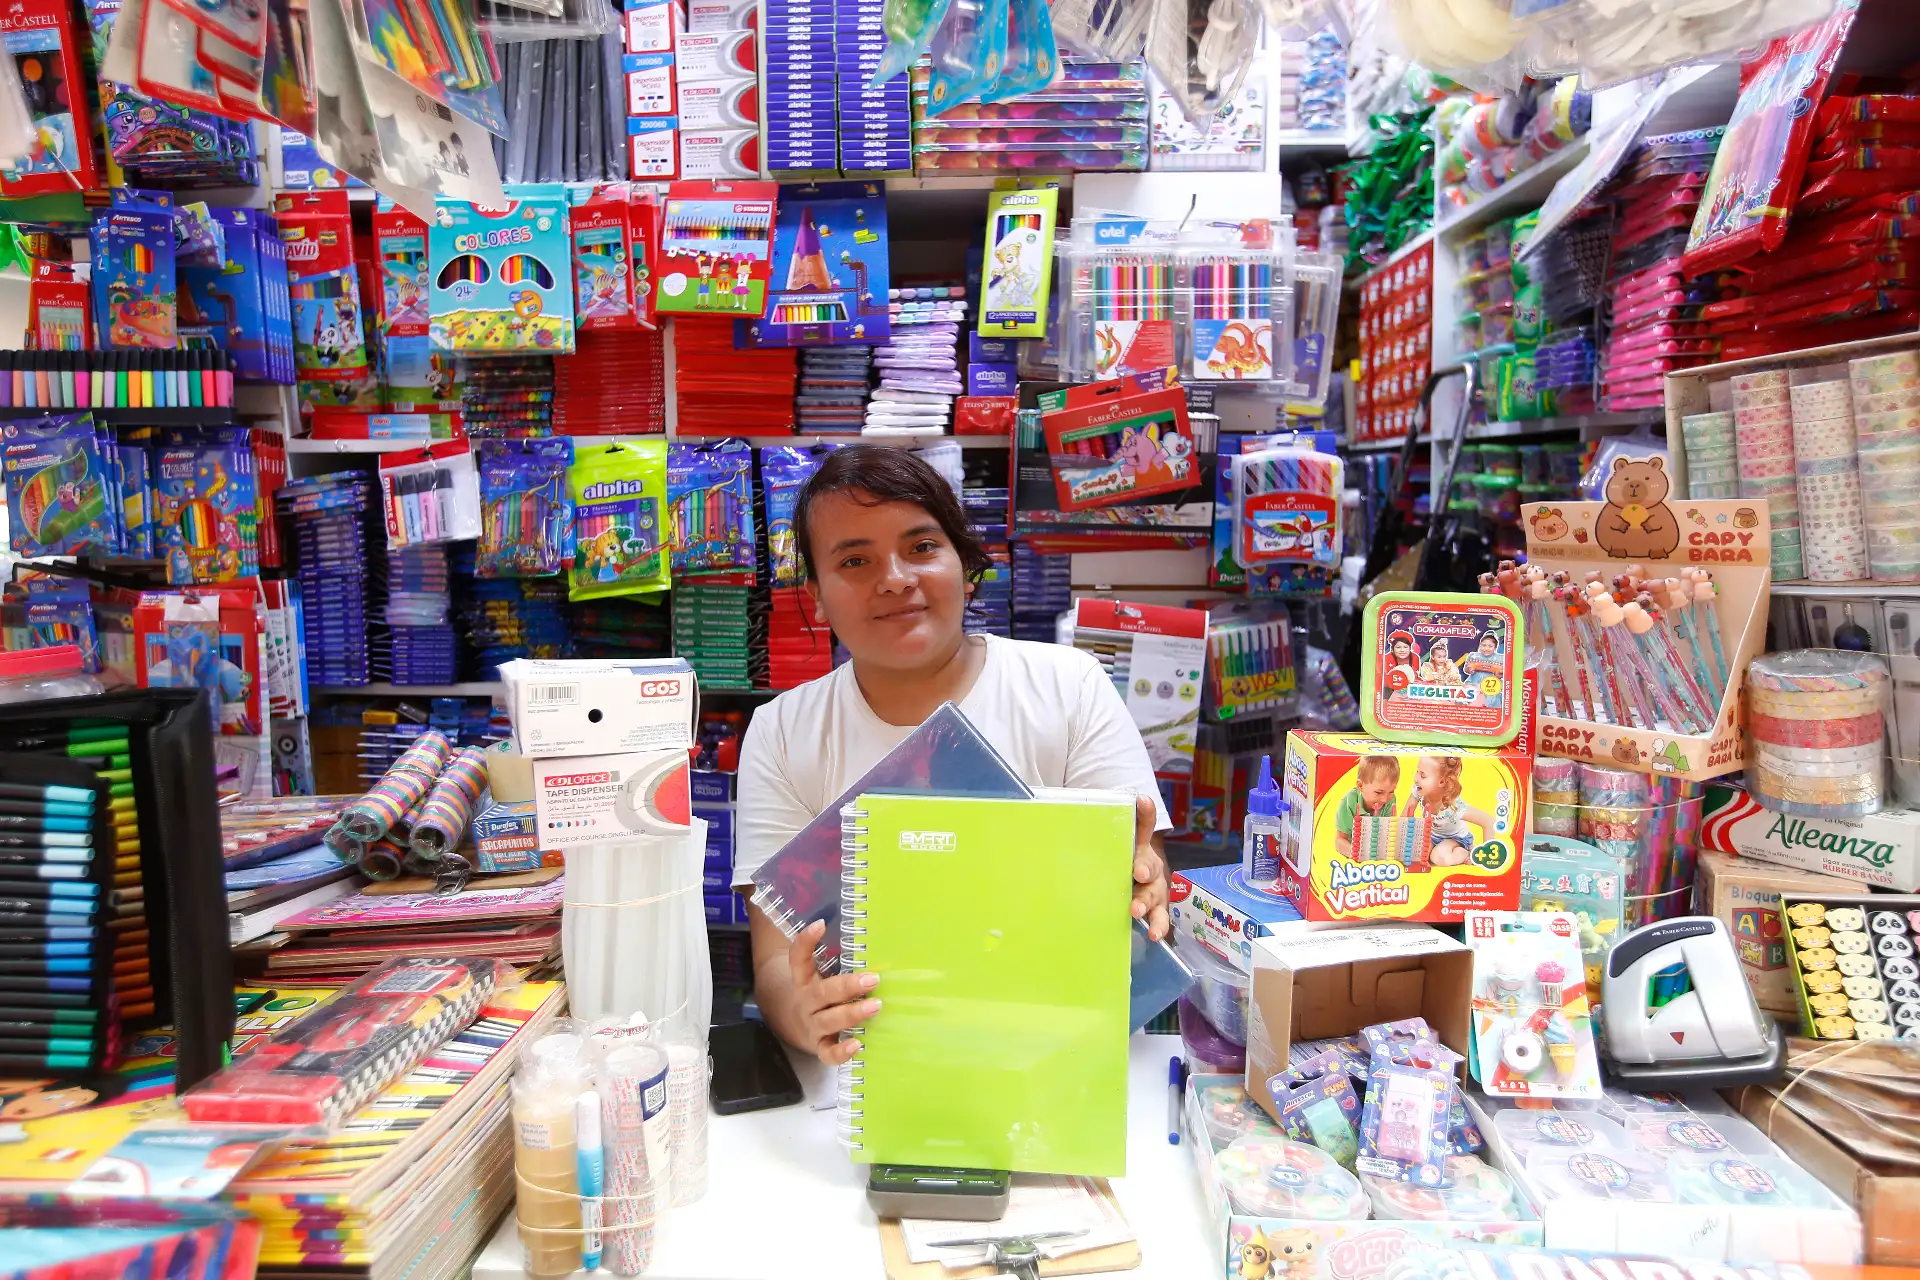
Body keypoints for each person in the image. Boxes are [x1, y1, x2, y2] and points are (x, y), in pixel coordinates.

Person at [734, 446, 1172, 1066]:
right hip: (872, 1070)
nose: (893, 578)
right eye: (854, 560)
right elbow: (777, 961)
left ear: (965, 566)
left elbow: (1144, 878)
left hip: (1060, 1056)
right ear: (817, 596)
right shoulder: (783, 732)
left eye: (920, 548)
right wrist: (801, 1015)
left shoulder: (1068, 685)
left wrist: (1145, 890)